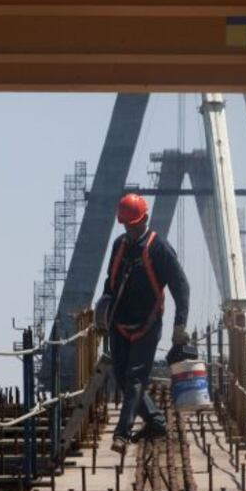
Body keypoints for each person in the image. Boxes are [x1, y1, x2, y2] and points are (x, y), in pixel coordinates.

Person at [99, 193, 190, 455]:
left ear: (145, 220)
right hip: (119, 324)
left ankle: (121, 434)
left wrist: (179, 324)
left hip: (146, 326)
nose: (130, 229)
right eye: (127, 225)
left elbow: (181, 286)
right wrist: (103, 307)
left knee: (135, 378)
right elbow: (111, 282)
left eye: (134, 224)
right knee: (121, 377)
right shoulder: (119, 246)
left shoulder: (159, 248)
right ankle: (157, 422)